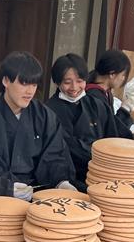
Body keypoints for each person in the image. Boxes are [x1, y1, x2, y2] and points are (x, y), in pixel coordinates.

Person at [0, 52, 76, 200]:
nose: (30, 91)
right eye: (24, 83)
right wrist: (7, 188)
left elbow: (54, 156)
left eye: (34, 84)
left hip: (39, 192)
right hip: (0, 196)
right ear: (6, 81)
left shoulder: (44, 115)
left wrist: (60, 182)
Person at [46, 53, 121, 187]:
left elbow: (112, 139)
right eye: (67, 82)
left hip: (103, 174)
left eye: (80, 81)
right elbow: (63, 148)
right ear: (57, 82)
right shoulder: (48, 112)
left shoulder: (97, 105)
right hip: (69, 179)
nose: (74, 87)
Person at [85, 49, 134, 139]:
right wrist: (124, 111)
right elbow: (109, 131)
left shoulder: (106, 92)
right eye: (123, 75)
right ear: (112, 74)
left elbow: (110, 122)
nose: (123, 79)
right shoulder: (93, 97)